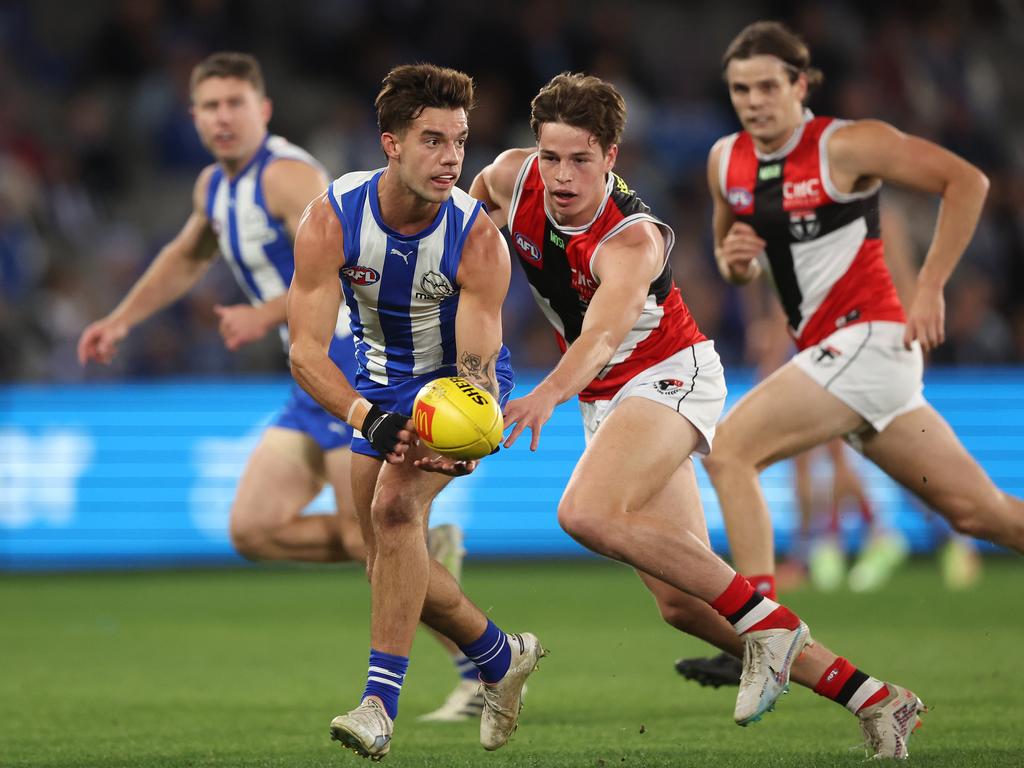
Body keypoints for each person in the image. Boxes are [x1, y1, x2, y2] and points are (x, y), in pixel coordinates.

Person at [471, 72, 922, 759]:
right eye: (552, 156)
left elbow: (597, 339)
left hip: (669, 376)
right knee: (685, 604)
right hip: (610, 399)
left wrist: (545, 392)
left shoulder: (633, 240)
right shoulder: (510, 177)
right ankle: (877, 699)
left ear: (612, 156)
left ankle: (768, 629)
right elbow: (470, 229)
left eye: (581, 160)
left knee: (584, 513)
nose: (562, 176)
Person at [76, 52, 477, 722]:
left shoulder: (291, 178)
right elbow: (187, 255)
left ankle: (476, 669)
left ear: (263, 110)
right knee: (254, 529)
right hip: (308, 374)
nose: (223, 118)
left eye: (236, 104)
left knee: (373, 538)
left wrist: (263, 313)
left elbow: (339, 260)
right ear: (194, 117)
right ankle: (427, 560)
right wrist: (120, 319)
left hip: (352, 359)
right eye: (210, 106)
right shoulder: (214, 187)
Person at [702, 21, 1024, 595]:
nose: (754, 102)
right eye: (740, 90)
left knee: (728, 451)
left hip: (867, 340)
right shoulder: (726, 161)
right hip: (841, 356)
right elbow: (734, 262)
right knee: (982, 515)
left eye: (767, 87)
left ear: (801, 86)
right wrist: (738, 261)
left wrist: (930, 285)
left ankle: (762, 635)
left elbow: (966, 181)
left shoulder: (846, 145)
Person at [287, 63, 545, 761]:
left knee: (396, 514)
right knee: (387, 564)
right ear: (390, 143)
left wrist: (463, 437)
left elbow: (477, 369)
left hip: (458, 389)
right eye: (432, 140)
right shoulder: (330, 218)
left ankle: (378, 706)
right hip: (377, 391)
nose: (451, 157)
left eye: (459, 141)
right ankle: (501, 655)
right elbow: (305, 354)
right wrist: (366, 415)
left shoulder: (475, 237)